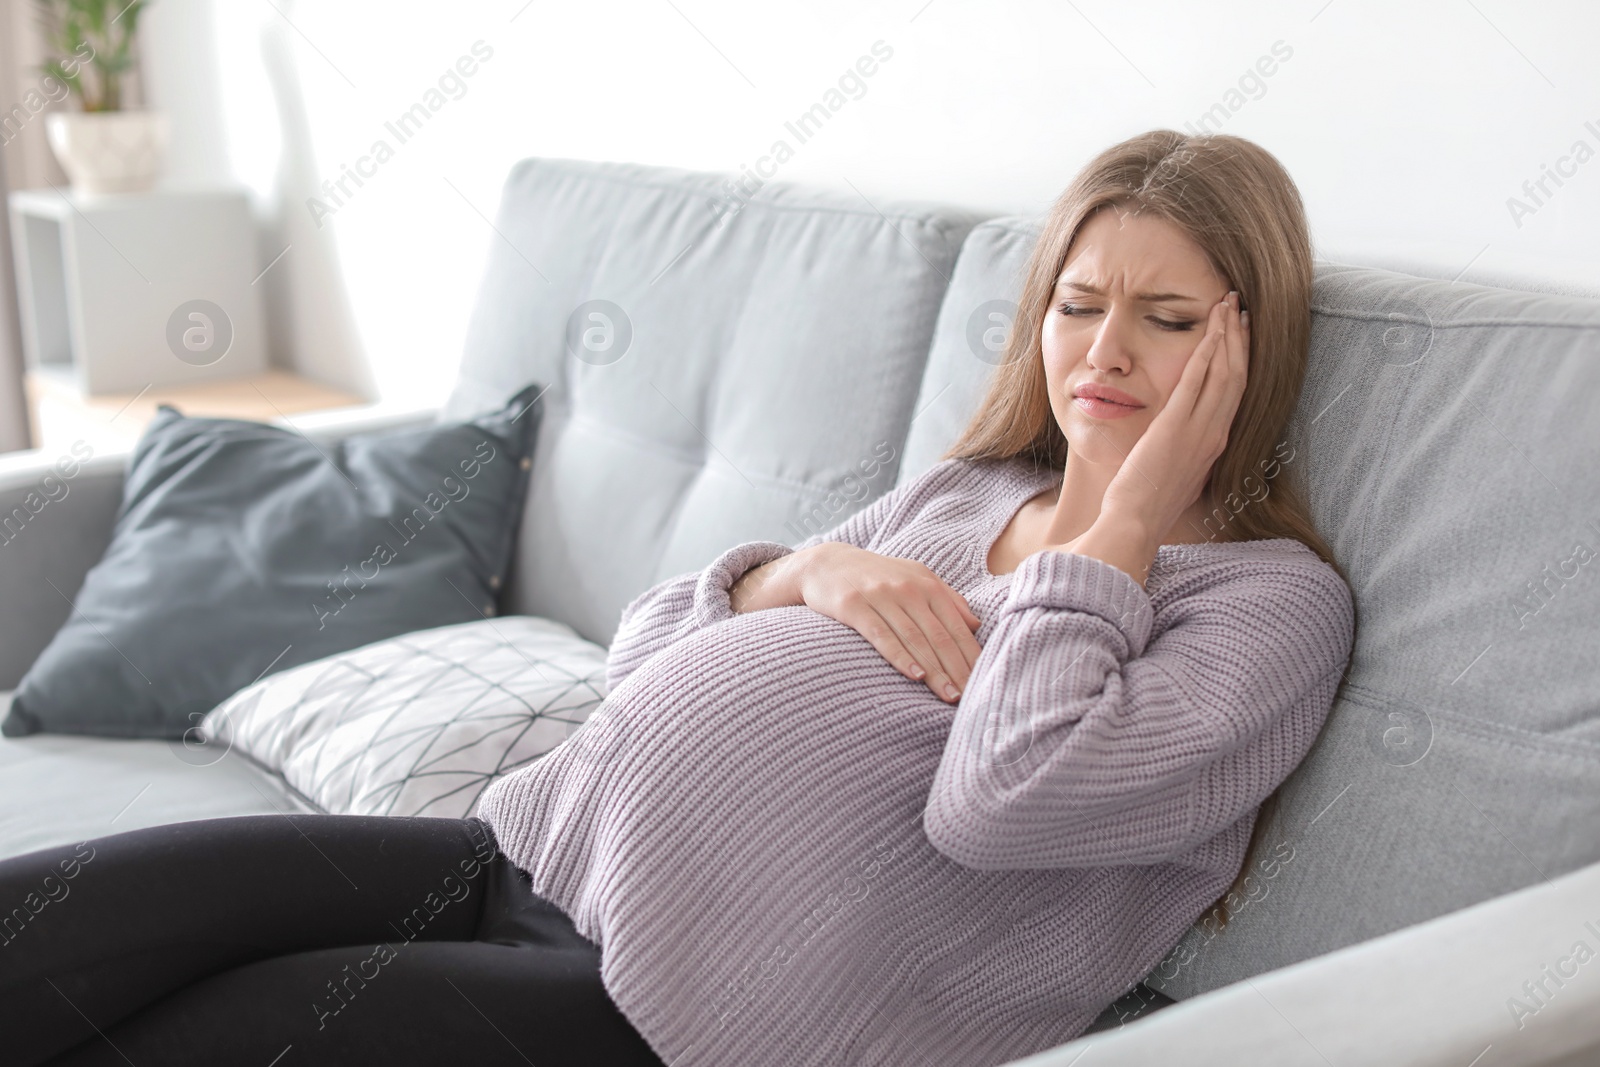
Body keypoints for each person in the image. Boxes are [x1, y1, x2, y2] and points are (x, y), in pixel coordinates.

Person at [0, 129, 1354, 1067]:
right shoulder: (967, 493)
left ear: (1250, 347)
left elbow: (1003, 799)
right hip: (529, 854)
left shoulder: (1267, 611)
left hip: (677, 1018)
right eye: (1078, 303)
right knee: (59, 922)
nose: (1105, 351)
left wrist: (1116, 526)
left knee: (173, 1044)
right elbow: (641, 661)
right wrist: (796, 571)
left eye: (1169, 320)